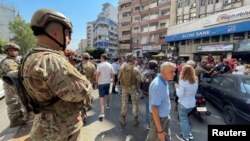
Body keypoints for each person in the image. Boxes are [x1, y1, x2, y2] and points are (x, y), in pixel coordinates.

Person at [24, 9, 92, 140]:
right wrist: (81, 76)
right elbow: (82, 92)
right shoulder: (52, 60)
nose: (68, 40)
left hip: (44, 124)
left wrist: (68, 64)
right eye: (67, 35)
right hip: (62, 130)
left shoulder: (31, 56)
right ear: (55, 33)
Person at [146, 62, 176, 141]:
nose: (174, 74)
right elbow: (154, 109)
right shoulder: (158, 85)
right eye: (171, 71)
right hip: (159, 119)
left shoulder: (163, 80)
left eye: (174, 71)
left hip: (164, 117)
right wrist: (160, 131)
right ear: (163, 72)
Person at [0, 43, 28, 127]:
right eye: (11, 50)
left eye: (15, 50)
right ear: (7, 52)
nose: (14, 52)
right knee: (13, 101)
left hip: (14, 83)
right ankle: (14, 120)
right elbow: (15, 73)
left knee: (19, 100)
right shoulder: (7, 62)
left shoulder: (15, 60)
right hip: (9, 84)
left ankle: (20, 116)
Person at [175, 65, 198, 141]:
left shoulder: (182, 81)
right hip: (192, 104)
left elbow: (180, 95)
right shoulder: (195, 80)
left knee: (184, 120)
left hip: (183, 104)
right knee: (186, 120)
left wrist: (177, 88)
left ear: (183, 71)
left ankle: (185, 137)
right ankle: (188, 133)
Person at [118, 54, 141, 127]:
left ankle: (122, 118)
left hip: (124, 87)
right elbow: (140, 79)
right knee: (134, 103)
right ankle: (135, 119)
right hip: (133, 88)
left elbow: (119, 77)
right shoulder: (135, 69)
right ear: (133, 60)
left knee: (124, 103)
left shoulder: (122, 67)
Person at [96, 54, 114, 120]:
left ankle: (102, 113)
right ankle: (108, 105)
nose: (100, 59)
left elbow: (97, 74)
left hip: (101, 83)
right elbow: (113, 74)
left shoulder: (99, 65)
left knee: (101, 97)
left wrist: (96, 81)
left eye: (100, 58)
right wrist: (113, 82)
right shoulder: (110, 65)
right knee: (107, 94)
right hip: (108, 82)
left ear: (102, 58)